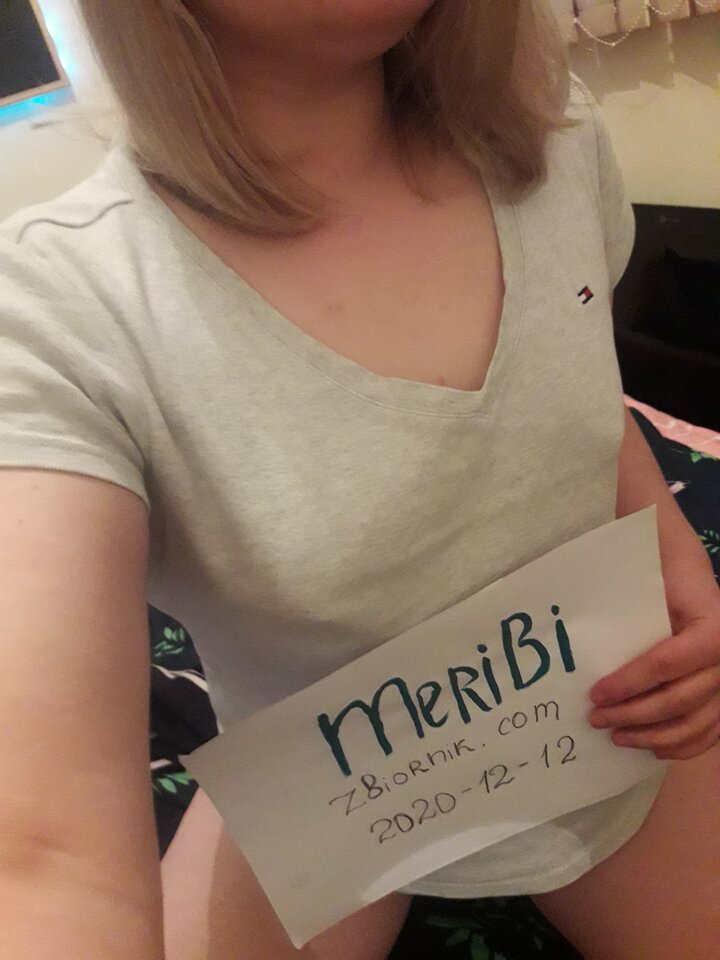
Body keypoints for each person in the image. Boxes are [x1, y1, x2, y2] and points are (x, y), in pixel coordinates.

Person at [0, 1, 718, 958]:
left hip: (603, 721)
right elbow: (45, 860)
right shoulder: (57, 309)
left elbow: (577, 382)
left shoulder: (560, 137)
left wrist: (675, 555)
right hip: (325, 795)